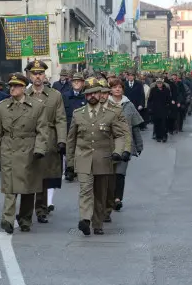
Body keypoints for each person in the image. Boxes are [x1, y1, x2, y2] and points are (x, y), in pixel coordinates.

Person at [65, 78, 131, 236]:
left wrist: (119, 151)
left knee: (100, 193)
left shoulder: (110, 114)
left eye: (95, 93)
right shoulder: (78, 114)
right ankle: (85, 220)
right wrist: (69, 163)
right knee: (85, 190)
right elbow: (71, 139)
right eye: (88, 94)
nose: (92, 96)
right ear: (85, 96)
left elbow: (120, 135)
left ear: (100, 94)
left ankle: (97, 223)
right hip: (83, 158)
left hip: (103, 158)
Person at [0, 73, 49, 234]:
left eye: (16, 86)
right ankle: (7, 219)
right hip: (9, 148)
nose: (12, 89)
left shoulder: (37, 106)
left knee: (28, 188)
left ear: (24, 88)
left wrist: (39, 149)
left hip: (28, 149)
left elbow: (43, 131)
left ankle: (25, 219)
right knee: (10, 187)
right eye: (11, 86)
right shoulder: (2, 106)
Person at [24, 60, 67, 223]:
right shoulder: (23, 94)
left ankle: (41, 209)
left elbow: (61, 120)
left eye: (40, 73)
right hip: (27, 138)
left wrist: (61, 140)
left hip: (48, 138)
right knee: (28, 176)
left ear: (45, 75)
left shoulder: (55, 95)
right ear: (29, 75)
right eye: (34, 73)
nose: (37, 77)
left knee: (43, 175)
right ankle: (26, 210)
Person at [107, 78, 143, 212]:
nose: (117, 89)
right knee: (110, 173)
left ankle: (117, 199)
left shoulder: (129, 105)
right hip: (109, 143)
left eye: (119, 87)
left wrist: (138, 144)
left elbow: (135, 126)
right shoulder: (105, 104)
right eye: (114, 87)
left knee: (120, 173)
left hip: (126, 144)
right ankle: (109, 198)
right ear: (110, 89)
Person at [147, 78, 172, 143]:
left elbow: (169, 99)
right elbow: (150, 100)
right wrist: (149, 108)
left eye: (160, 83)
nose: (159, 84)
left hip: (164, 109)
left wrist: (169, 108)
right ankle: (158, 136)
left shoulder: (166, 90)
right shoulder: (153, 90)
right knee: (157, 124)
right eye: (158, 83)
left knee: (164, 124)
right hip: (155, 110)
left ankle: (164, 136)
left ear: (162, 83)